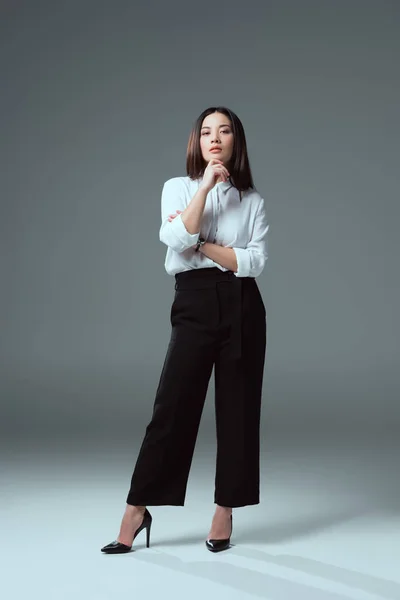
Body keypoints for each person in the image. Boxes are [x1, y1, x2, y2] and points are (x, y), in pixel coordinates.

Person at [101, 106, 269, 554]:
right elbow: (176, 238)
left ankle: (224, 510)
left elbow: (255, 263)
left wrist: (204, 244)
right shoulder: (177, 187)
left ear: (237, 140)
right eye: (206, 132)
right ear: (196, 142)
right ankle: (137, 509)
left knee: (238, 410)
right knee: (172, 406)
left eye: (225, 131)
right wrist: (208, 188)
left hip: (242, 305)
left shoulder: (252, 200)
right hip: (193, 300)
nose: (215, 138)